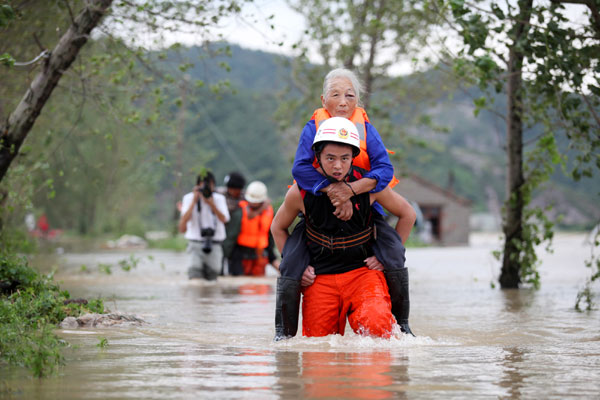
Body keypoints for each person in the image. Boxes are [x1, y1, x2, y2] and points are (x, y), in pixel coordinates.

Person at [274, 68, 416, 339]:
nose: (342, 101)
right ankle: (283, 334)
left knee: (394, 254)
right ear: (323, 99)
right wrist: (331, 189)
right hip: (317, 203)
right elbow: (300, 169)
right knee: (291, 266)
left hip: (364, 207)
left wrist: (352, 190)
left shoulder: (367, 136)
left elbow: (386, 171)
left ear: (353, 155)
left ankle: (403, 325)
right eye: (335, 95)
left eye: (349, 96)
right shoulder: (311, 134)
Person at [179, 171, 230, 281]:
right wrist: (194, 201)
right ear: (198, 186)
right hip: (195, 244)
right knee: (195, 278)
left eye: (209, 185)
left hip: (215, 244)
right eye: (204, 185)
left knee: (213, 279)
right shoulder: (189, 198)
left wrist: (211, 204)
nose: (206, 188)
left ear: (214, 185)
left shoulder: (219, 199)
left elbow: (224, 219)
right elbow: (182, 224)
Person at [235, 181, 280, 276]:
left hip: (261, 253)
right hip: (242, 253)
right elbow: (232, 235)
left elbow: (269, 236)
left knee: (260, 287)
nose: (254, 204)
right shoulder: (241, 209)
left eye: (256, 202)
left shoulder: (269, 211)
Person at [220, 171, 246, 276]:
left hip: (237, 239)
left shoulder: (245, 196)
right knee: (218, 271)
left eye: (239, 189)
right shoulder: (219, 195)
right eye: (234, 189)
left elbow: (264, 201)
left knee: (237, 272)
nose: (237, 192)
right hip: (221, 237)